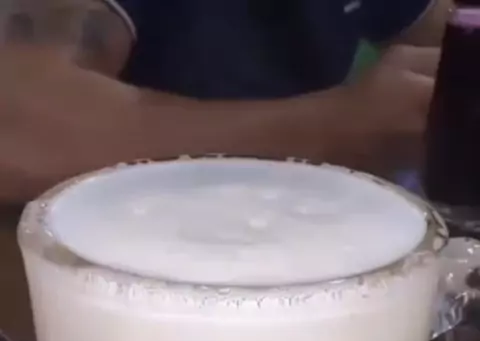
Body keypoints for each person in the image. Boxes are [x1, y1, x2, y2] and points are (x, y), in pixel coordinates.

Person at [0, 0, 450, 203]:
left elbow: (445, 32)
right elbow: (19, 133)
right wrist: (334, 129)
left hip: (292, 253)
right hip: (119, 292)